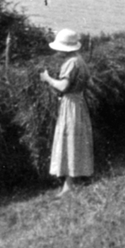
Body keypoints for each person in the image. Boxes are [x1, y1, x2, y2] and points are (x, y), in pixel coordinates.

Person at [39, 28, 93, 196]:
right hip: (79, 102)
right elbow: (86, 82)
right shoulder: (80, 60)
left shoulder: (70, 63)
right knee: (76, 139)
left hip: (70, 104)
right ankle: (74, 180)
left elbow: (63, 86)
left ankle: (68, 185)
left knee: (69, 140)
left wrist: (47, 79)